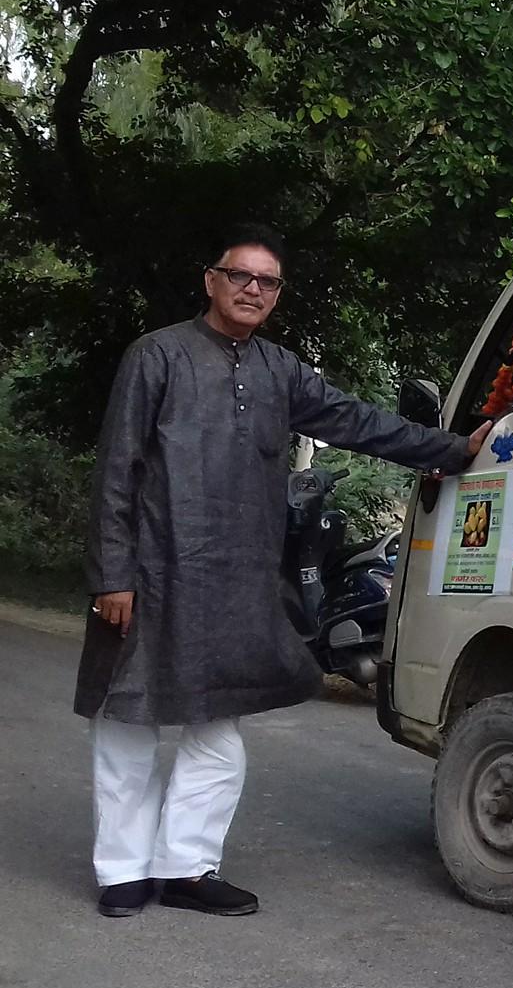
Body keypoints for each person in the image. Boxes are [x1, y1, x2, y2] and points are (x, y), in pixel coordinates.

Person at [79, 223, 490, 919]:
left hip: (236, 580)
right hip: (152, 572)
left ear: (276, 295)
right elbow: (116, 470)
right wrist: (111, 575)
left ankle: (185, 867)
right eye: (240, 276)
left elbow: (354, 419)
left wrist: (446, 449)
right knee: (128, 723)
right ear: (212, 280)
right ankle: (122, 871)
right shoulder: (158, 356)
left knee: (217, 732)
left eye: (266, 282)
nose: (252, 290)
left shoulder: (280, 371)